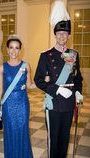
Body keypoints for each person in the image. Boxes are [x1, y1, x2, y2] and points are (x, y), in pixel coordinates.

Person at [34, 1, 83, 158]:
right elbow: (38, 80)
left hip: (69, 103)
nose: (62, 36)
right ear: (55, 35)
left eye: (65, 33)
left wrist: (77, 93)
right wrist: (57, 89)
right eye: (59, 33)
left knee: (64, 138)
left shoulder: (73, 55)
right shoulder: (46, 55)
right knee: (53, 138)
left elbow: (78, 78)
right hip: (54, 102)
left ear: (68, 35)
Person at [0, 34, 36, 158]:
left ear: (20, 50)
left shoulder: (26, 66)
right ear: (7, 49)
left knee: (23, 131)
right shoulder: (2, 68)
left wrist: (43, 82)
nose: (13, 51)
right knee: (10, 132)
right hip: (8, 105)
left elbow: (29, 85)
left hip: (23, 104)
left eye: (17, 48)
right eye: (11, 47)